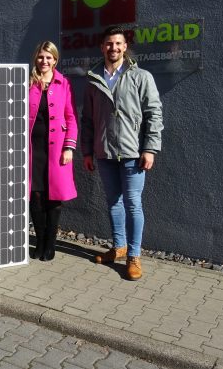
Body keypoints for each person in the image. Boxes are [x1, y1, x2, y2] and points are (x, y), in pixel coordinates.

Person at [82, 25, 164, 281]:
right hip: (105, 152)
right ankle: (119, 246)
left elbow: (154, 114)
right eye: (109, 44)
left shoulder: (141, 77)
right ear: (102, 47)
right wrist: (87, 151)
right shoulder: (94, 78)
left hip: (132, 153)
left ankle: (134, 256)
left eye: (118, 44)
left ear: (125, 47)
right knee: (113, 203)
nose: (113, 48)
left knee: (132, 203)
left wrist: (150, 148)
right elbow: (88, 119)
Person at [28, 41, 78, 261]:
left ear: (55, 60)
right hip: (32, 150)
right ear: (36, 59)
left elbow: (71, 117)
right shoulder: (26, 83)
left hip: (57, 149)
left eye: (49, 57)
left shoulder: (63, 83)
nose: (44, 61)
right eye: (41, 57)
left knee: (54, 197)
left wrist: (69, 147)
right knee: (35, 195)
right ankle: (39, 241)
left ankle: (50, 243)